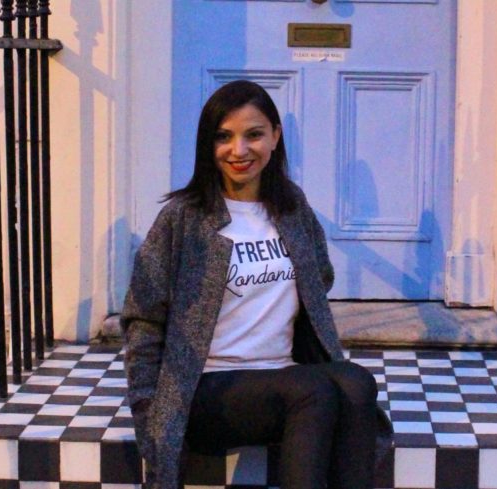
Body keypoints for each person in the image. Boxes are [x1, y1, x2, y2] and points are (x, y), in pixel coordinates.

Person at [121, 80, 392, 489]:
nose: (239, 150)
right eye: (224, 137)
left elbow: (319, 278)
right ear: (208, 144)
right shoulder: (184, 217)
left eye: (254, 135)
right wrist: (150, 413)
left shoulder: (292, 207)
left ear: (275, 137)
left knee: (356, 383)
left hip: (281, 382)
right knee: (314, 389)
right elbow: (143, 317)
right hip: (204, 391)